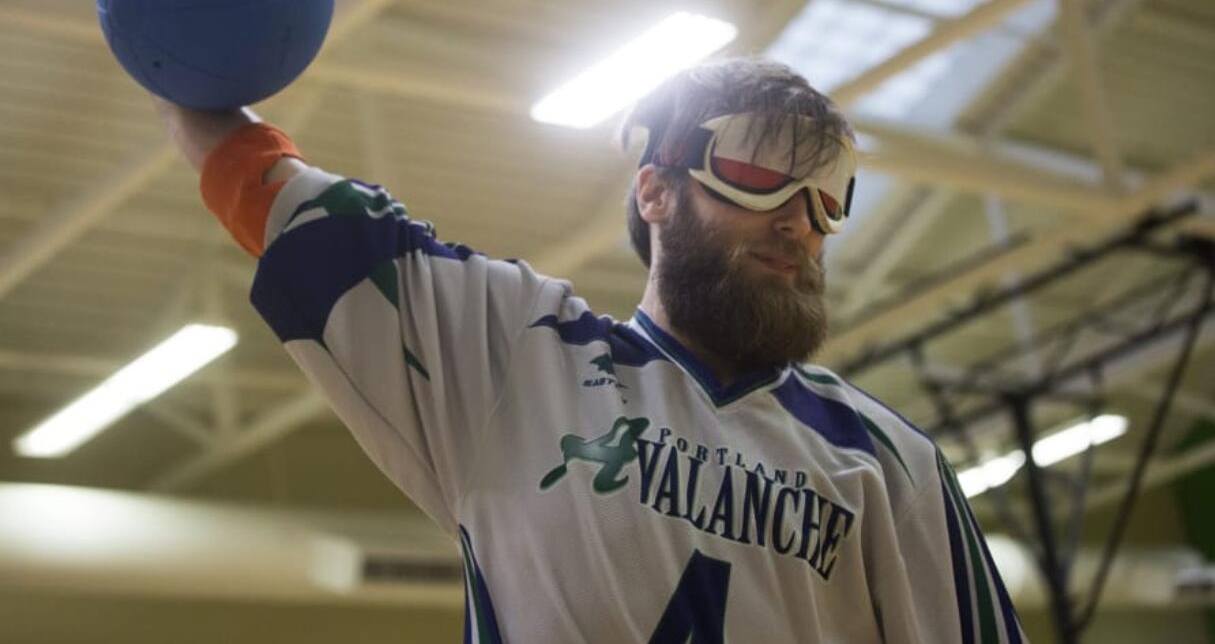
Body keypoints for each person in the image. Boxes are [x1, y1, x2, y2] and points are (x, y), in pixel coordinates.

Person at [156, 57, 1026, 643]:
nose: (801, 216)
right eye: (759, 172)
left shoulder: (890, 461)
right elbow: (288, 203)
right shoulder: (517, 358)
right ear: (655, 190)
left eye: (830, 192)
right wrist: (168, 42)